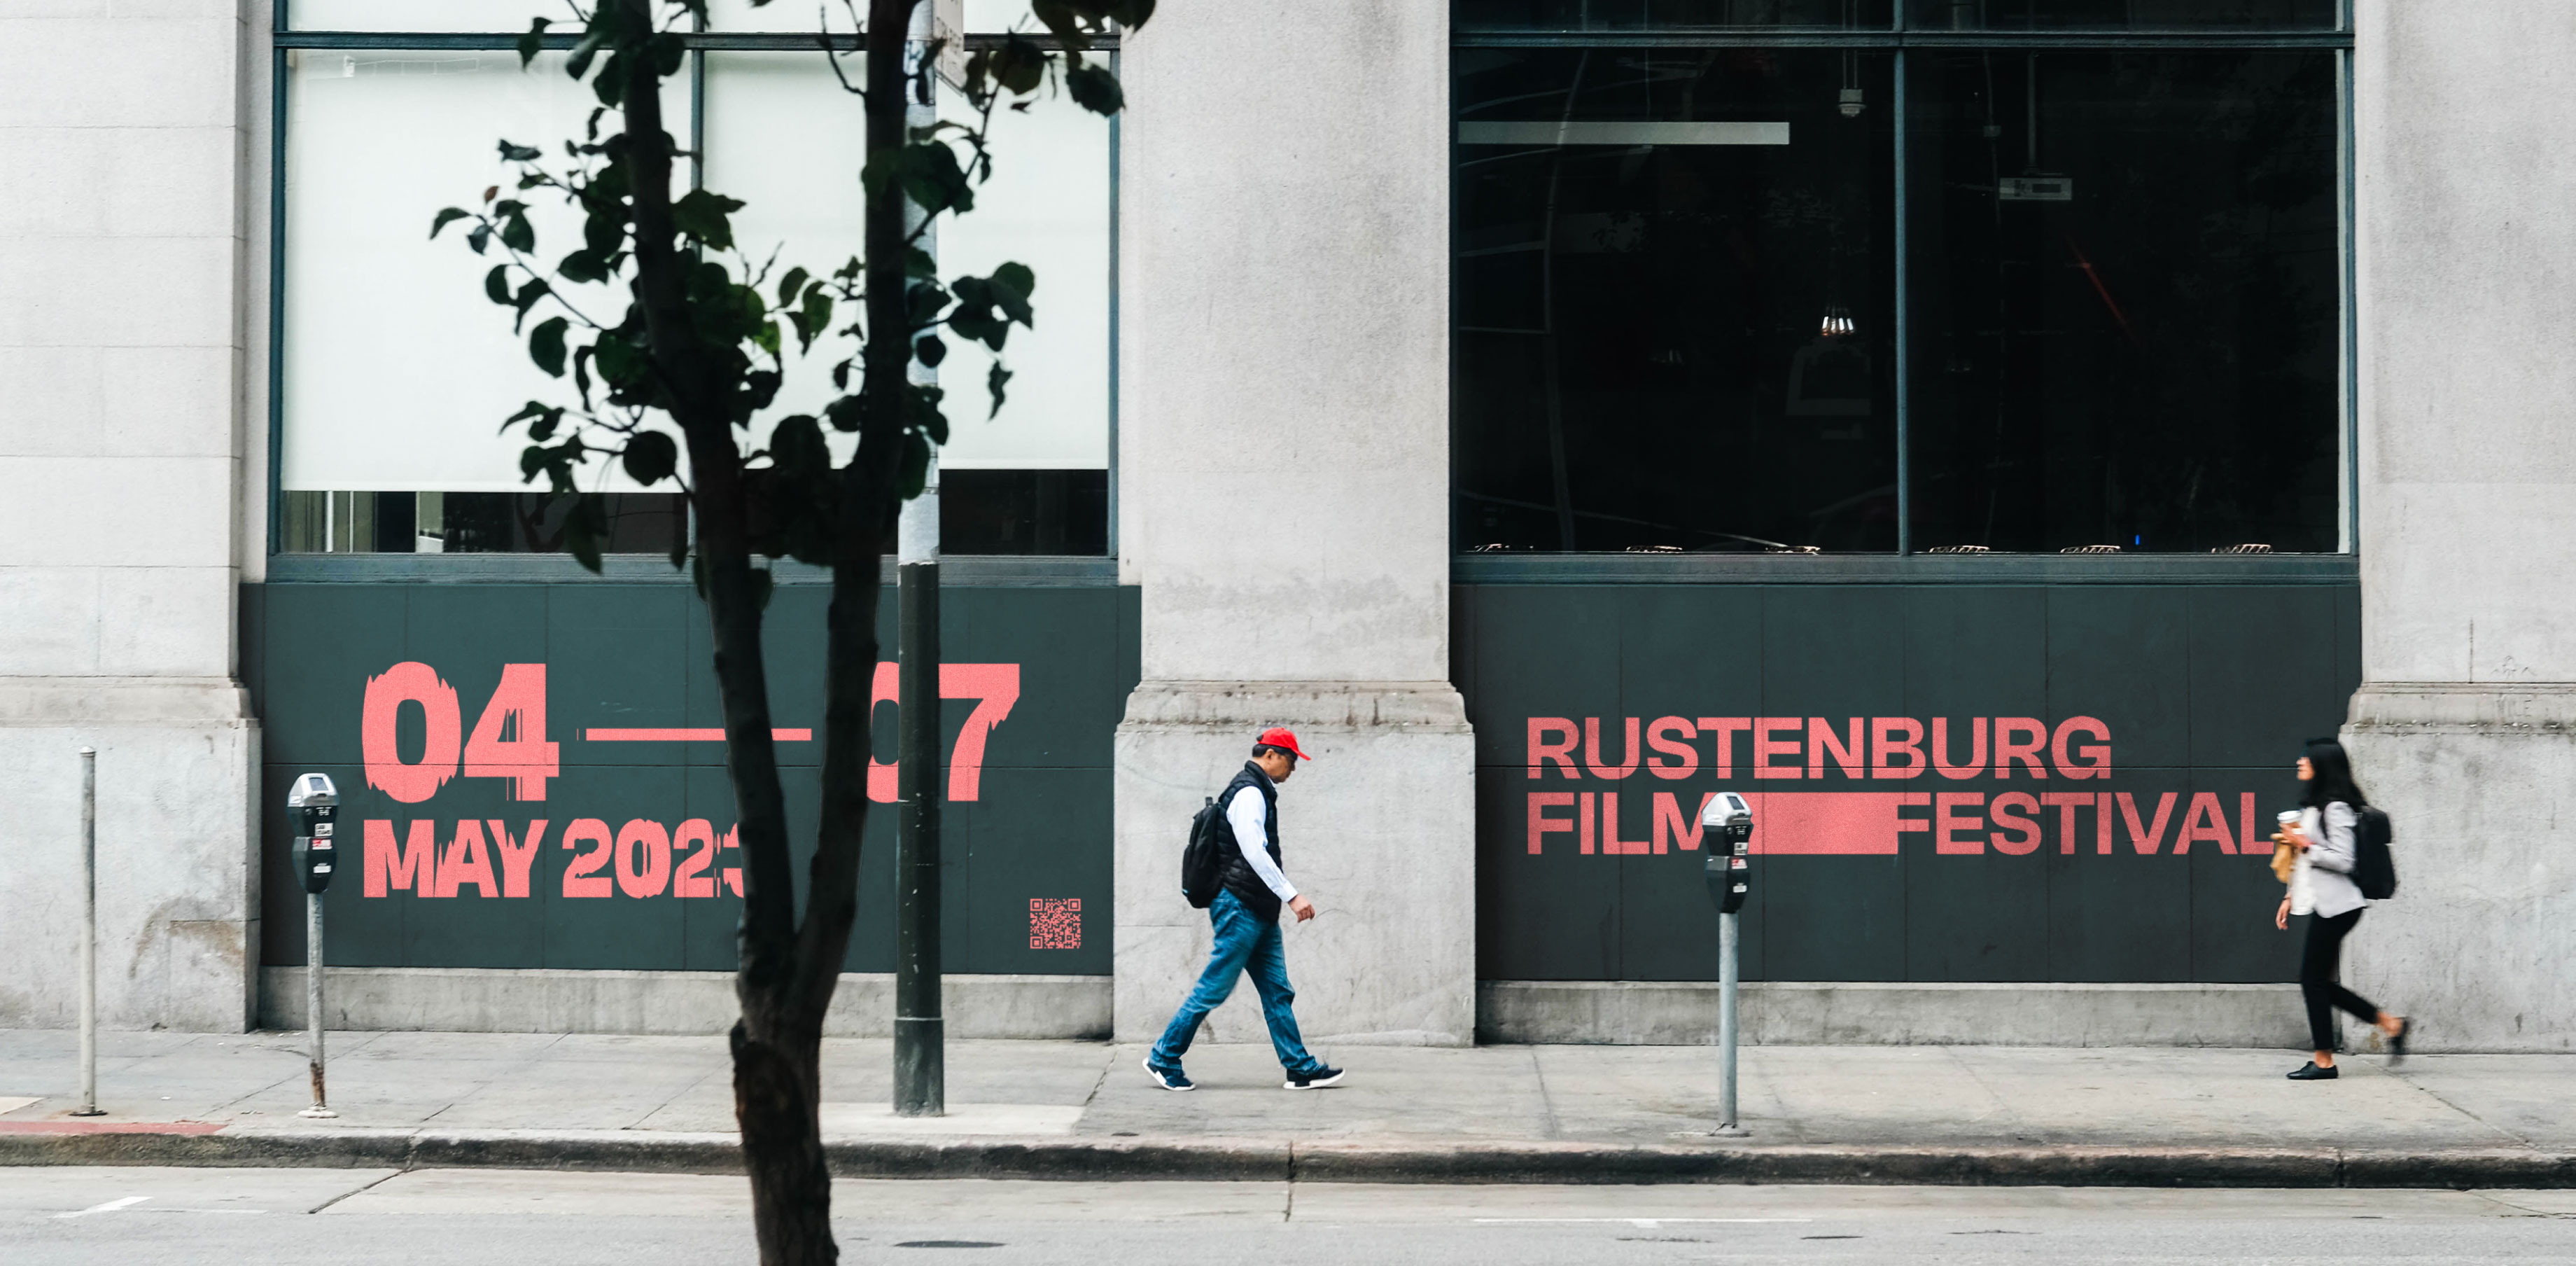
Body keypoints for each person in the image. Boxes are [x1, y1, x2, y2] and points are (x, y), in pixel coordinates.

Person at [1143, 728, 1346, 1092]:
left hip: (1256, 908)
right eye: (1291, 760)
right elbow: (1254, 852)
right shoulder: (1250, 792)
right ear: (1270, 755)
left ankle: (1299, 1068)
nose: (1293, 769)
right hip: (1240, 906)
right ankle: (1164, 1057)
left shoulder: (1255, 789)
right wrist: (1292, 895)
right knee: (1214, 988)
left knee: (1277, 990)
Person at [2272, 737, 2409, 1080]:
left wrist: (2306, 844)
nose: (2300, 762)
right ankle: (2391, 1024)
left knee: (2312, 980)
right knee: (2318, 981)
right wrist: (2291, 896)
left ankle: (2324, 1062)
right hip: (2328, 903)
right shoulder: (2316, 806)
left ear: (2322, 764)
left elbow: (2344, 860)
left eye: (2307, 758)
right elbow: (2306, 865)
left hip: (2341, 906)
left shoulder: (2337, 808)